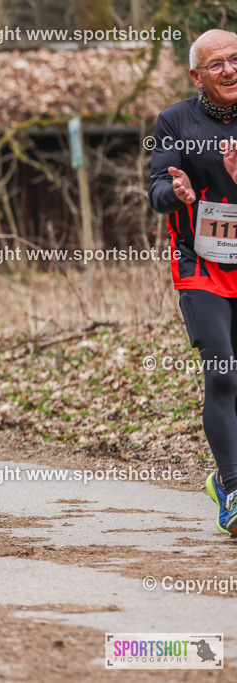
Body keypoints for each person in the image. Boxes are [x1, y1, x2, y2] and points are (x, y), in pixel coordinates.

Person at [149, 29, 237, 535]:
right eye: (216, 63)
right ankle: (232, 486)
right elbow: (157, 187)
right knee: (224, 372)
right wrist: (176, 189)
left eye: (234, 59)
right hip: (200, 262)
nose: (228, 69)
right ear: (196, 75)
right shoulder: (175, 120)